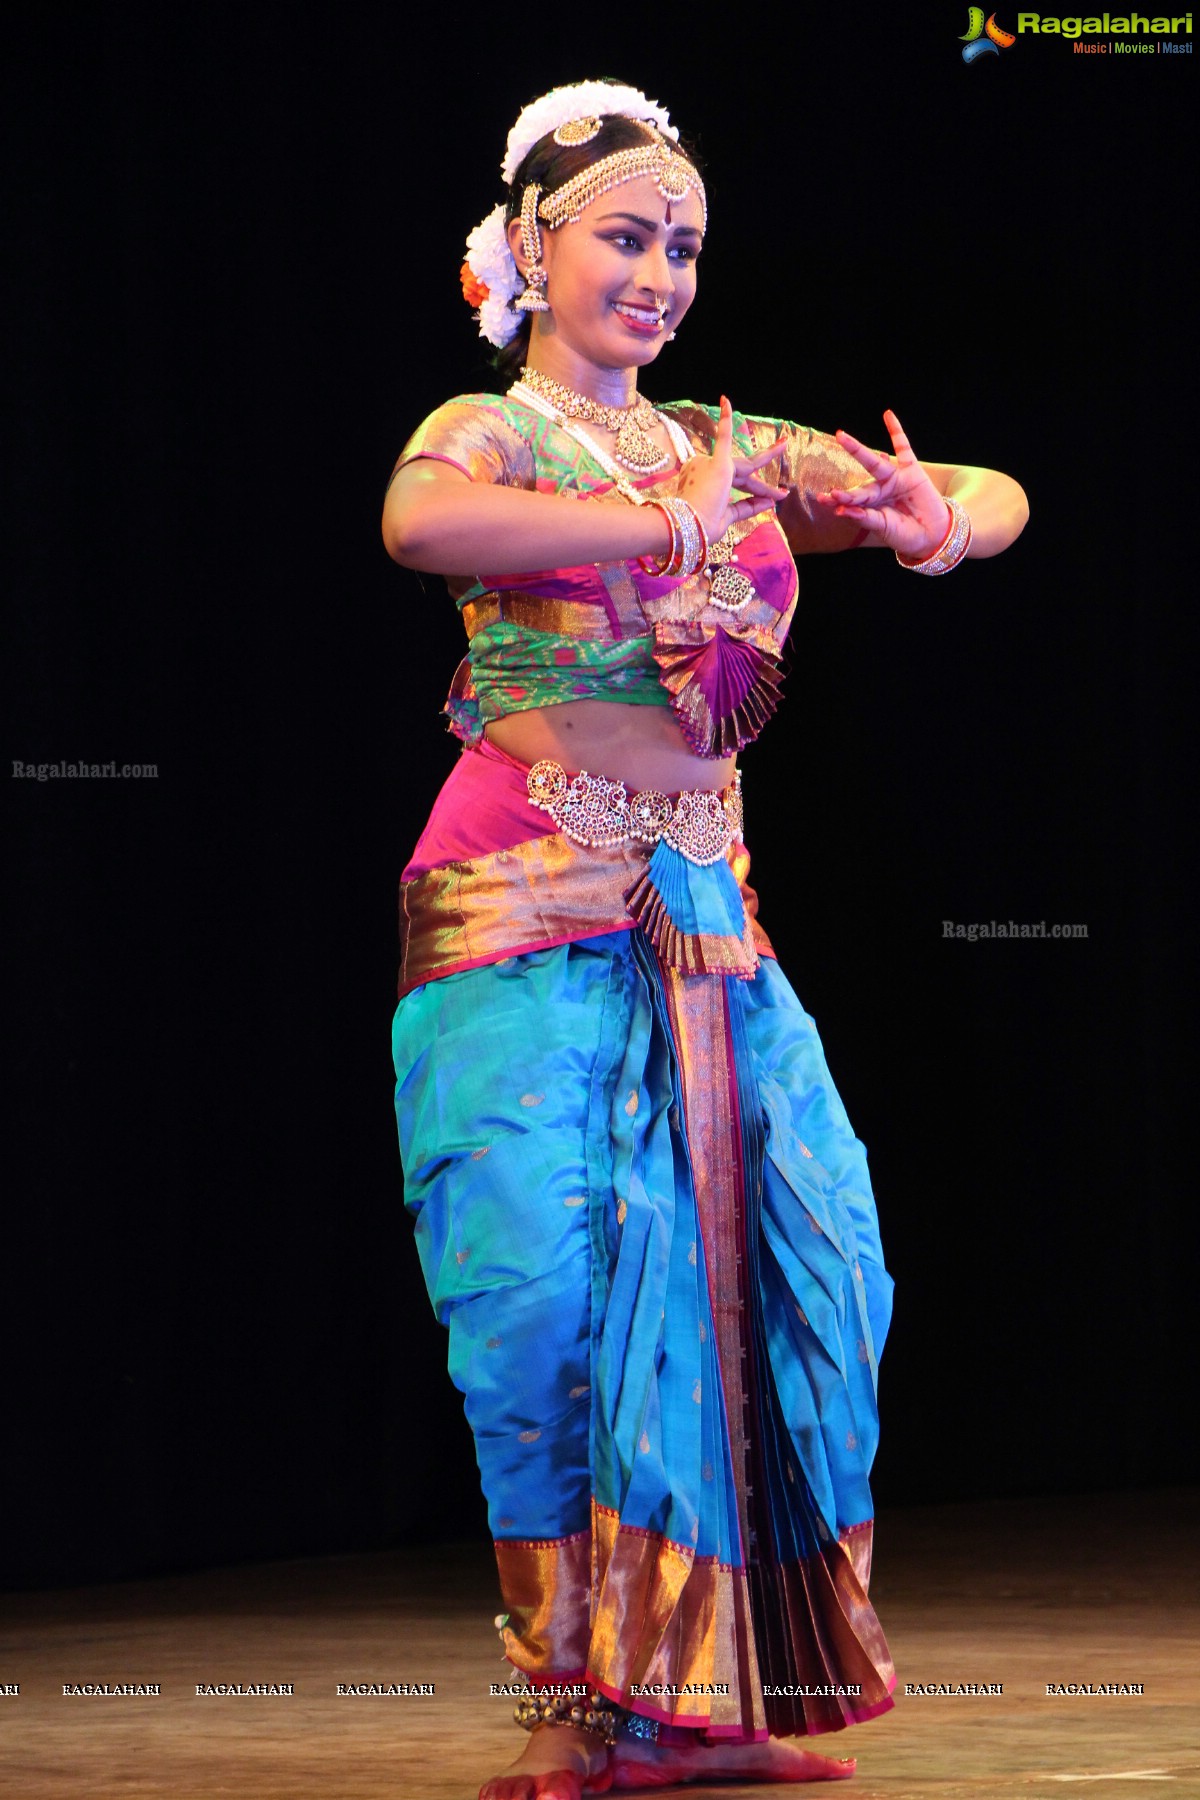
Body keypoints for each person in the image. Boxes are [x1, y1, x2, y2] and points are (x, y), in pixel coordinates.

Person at [382, 80, 1028, 1800]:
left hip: (708, 920)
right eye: (623, 236)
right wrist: (663, 530)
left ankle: (713, 1698)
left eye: (681, 244)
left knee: (807, 1276)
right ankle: (574, 1704)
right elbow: (423, 523)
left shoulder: (726, 443)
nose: (660, 272)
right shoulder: (497, 427)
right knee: (545, 1307)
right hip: (520, 911)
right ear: (531, 246)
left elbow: (988, 482)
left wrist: (934, 522)